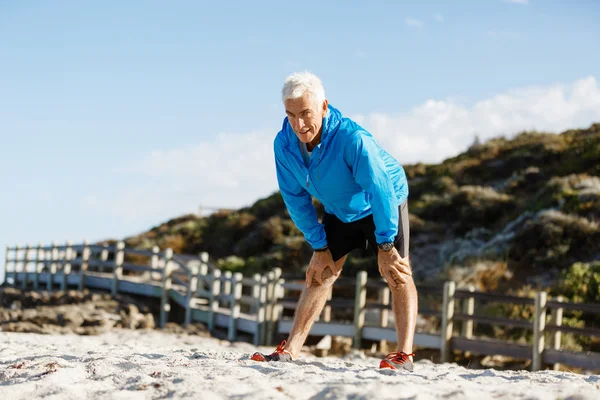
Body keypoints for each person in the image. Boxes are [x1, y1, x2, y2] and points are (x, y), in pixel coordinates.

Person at [251, 72, 418, 371]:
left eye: (305, 114)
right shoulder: (284, 144)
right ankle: (290, 350)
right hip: (341, 209)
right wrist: (319, 245)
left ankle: (404, 355)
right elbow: (294, 198)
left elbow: (379, 189)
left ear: (324, 106)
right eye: (291, 115)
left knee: (397, 271)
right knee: (320, 272)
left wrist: (385, 242)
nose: (299, 125)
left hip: (383, 200)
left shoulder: (352, 139)